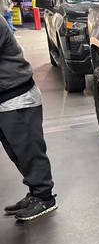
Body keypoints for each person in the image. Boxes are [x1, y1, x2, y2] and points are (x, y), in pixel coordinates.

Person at [0, 14, 57, 221]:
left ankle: (45, 198)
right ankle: (35, 193)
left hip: (17, 97)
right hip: (4, 99)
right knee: (17, 153)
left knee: (29, 151)